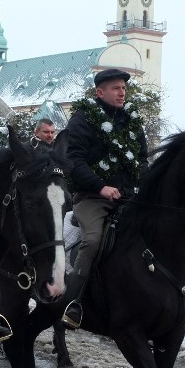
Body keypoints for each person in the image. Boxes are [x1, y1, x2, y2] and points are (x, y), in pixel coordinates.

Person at [61, 68, 149, 329]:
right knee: (93, 240)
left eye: (124, 87)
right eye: (115, 87)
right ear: (99, 92)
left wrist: (147, 182)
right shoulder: (82, 119)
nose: (122, 92)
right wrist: (101, 187)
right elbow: (73, 161)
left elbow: (142, 159)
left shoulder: (131, 120)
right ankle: (73, 302)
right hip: (92, 198)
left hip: (128, 198)